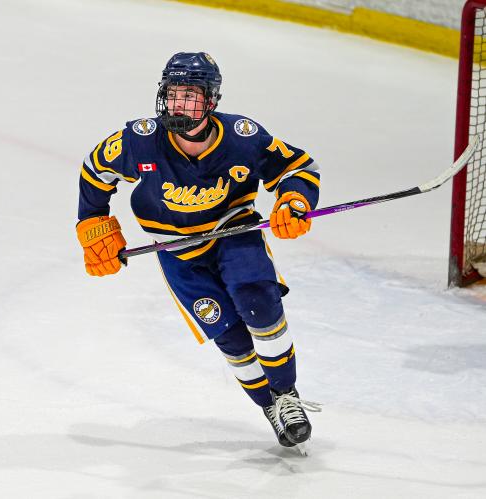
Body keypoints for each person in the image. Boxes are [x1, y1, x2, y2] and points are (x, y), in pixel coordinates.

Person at [76, 52, 321, 448]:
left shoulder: (243, 137)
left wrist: (294, 199)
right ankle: (269, 406)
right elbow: (94, 170)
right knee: (230, 337)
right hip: (177, 252)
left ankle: (286, 394)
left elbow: (297, 168)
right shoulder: (140, 140)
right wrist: (92, 223)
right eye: (173, 94)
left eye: (190, 96)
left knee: (257, 300)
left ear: (211, 100)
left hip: (233, 232)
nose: (179, 105)